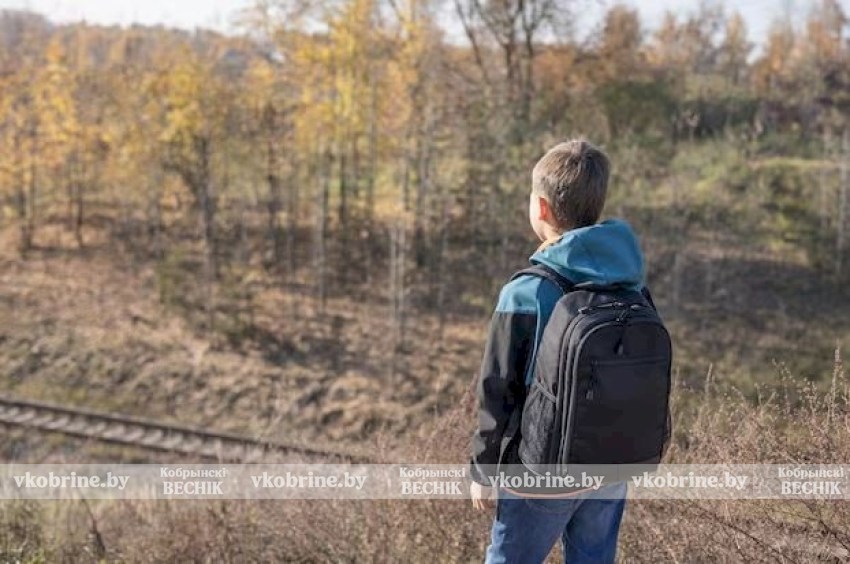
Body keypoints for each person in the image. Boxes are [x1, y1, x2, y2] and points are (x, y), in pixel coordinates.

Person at [469, 139, 651, 563]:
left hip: (540, 469)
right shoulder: (630, 282)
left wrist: (483, 468)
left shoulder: (527, 292)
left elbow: (498, 387)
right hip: (609, 464)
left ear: (542, 208)